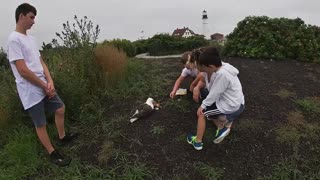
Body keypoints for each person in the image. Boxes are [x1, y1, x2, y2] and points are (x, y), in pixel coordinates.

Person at [7, 3, 78, 166]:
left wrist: (50, 81)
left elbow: (40, 62)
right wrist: (43, 85)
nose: (34, 21)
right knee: (41, 123)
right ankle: (52, 153)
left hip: (44, 85)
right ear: (21, 16)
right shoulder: (13, 39)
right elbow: (23, 70)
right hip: (30, 89)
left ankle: (62, 137)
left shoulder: (31, 39)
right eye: (31, 17)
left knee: (60, 108)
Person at [187, 47, 245, 150]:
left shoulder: (222, 74)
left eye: (199, 65)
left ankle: (197, 142)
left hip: (231, 104)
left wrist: (203, 106)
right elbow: (203, 79)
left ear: (210, 66)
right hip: (234, 100)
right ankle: (223, 126)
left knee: (202, 113)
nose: (196, 66)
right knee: (206, 97)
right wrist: (196, 87)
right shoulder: (215, 68)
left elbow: (214, 93)